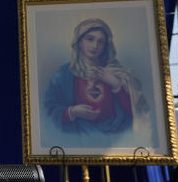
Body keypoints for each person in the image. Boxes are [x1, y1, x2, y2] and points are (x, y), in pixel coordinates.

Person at [42, 18, 154, 150]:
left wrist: (116, 85)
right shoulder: (63, 75)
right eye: (90, 39)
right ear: (79, 42)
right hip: (76, 140)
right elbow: (48, 111)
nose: (95, 46)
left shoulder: (120, 74)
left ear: (107, 45)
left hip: (117, 142)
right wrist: (72, 112)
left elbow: (138, 113)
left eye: (100, 42)